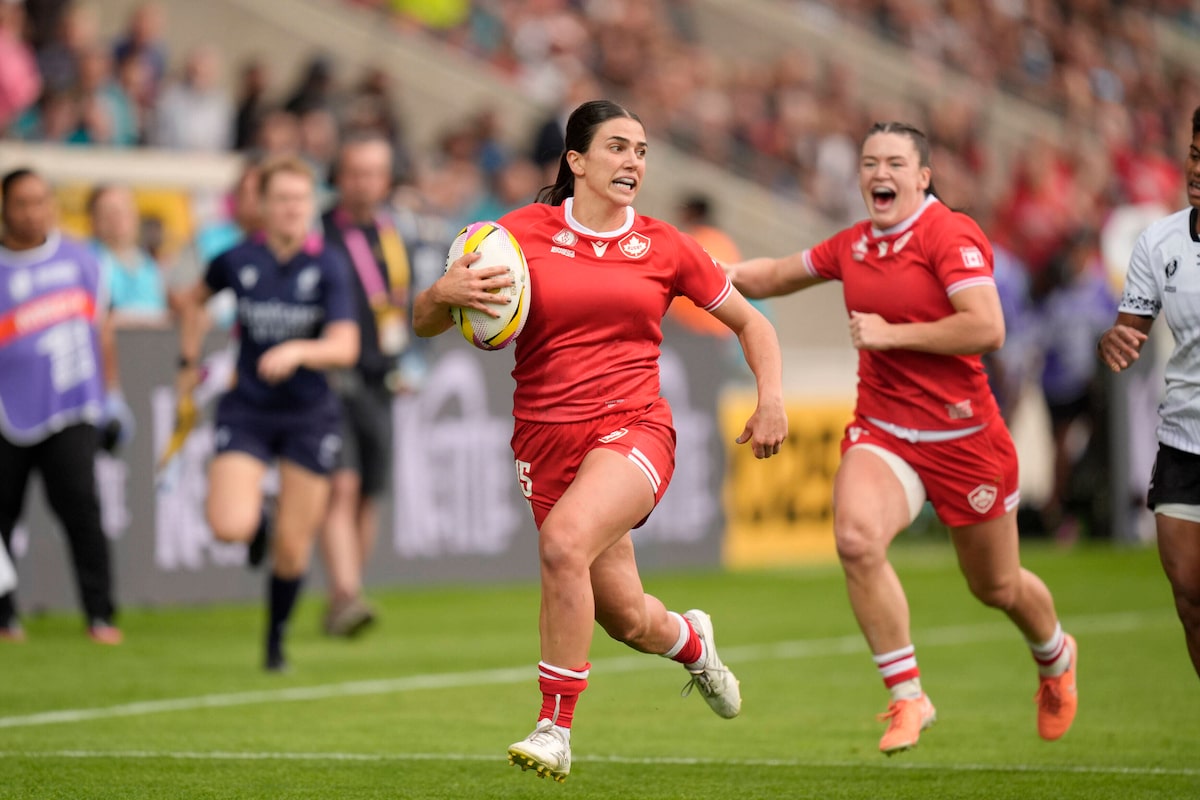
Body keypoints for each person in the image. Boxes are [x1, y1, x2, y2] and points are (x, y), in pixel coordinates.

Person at [413, 99, 788, 783]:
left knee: (563, 544)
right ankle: (693, 643)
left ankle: (554, 728)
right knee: (628, 620)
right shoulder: (513, 236)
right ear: (576, 161)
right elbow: (424, 321)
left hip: (634, 428)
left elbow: (753, 324)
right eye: (617, 147)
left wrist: (771, 399)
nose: (633, 161)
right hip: (544, 441)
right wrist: (443, 293)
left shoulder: (666, 246)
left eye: (641, 151)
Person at [726, 121, 1079, 755]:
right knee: (856, 539)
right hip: (884, 431)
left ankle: (1056, 657)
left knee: (996, 587)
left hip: (965, 436)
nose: (879, 173)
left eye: (894, 162)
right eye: (869, 162)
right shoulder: (854, 243)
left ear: (922, 177)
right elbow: (774, 273)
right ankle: (908, 695)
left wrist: (893, 334)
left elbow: (988, 327)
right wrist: (688, 269)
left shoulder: (950, 234)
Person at [175, 156, 358, 671]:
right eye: (282, 199)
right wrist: (187, 362)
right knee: (229, 526)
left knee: (293, 550)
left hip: (309, 415)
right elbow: (191, 301)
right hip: (249, 409)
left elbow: (345, 346)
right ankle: (259, 521)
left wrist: (299, 351)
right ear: (261, 205)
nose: (292, 209)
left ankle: (275, 643)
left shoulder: (328, 265)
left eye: (300, 199)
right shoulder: (236, 259)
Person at [0, 167, 133, 644]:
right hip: (6, 412)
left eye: (41, 201)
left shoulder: (82, 261)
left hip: (71, 408)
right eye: (21, 203)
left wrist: (112, 393)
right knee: (2, 516)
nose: (32, 212)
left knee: (82, 510)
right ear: (4, 208)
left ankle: (100, 614)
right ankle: (4, 617)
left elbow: (103, 331)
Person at [1097, 105, 1200, 681]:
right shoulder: (1158, 241)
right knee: (1188, 595)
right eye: (1194, 155)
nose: (1197, 170)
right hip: (1184, 438)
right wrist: (1113, 341)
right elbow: (1129, 331)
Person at [317, 133, 415, 637]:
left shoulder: (395, 232)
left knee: (368, 493)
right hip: (333, 378)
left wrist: (410, 361)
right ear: (339, 176)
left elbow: (405, 301)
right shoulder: (320, 233)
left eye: (374, 173)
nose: (364, 183)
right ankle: (347, 593)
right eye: (355, 172)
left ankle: (346, 596)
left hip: (382, 379)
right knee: (342, 484)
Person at [87, 184, 169, 324]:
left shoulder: (151, 265)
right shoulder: (86, 261)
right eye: (110, 212)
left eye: (125, 210)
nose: (119, 219)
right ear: (94, 220)